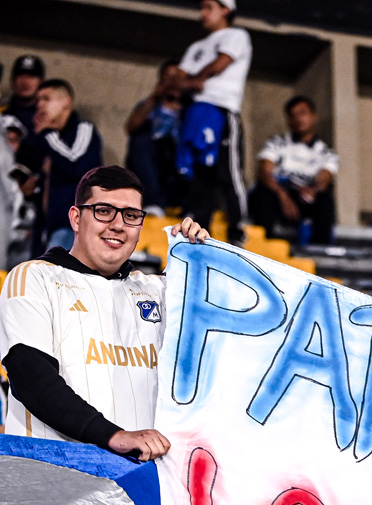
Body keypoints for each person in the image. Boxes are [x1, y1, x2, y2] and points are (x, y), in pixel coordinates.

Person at [0, 165, 208, 461]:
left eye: (131, 215)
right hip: (52, 475)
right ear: (76, 218)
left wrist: (202, 258)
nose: (118, 225)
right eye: (104, 211)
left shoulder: (161, 291)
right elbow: (31, 377)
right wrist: (113, 436)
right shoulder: (34, 277)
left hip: (142, 478)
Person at [173, 0, 252, 244]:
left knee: (229, 172)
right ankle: (200, 232)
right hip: (195, 111)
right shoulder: (196, 46)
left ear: (226, 9)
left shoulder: (237, 35)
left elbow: (220, 63)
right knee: (199, 174)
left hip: (222, 110)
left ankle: (237, 230)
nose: (203, 13)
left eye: (209, 7)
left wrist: (196, 80)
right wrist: (191, 83)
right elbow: (178, 79)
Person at [11, 79, 103, 253]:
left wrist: (47, 133)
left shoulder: (83, 128)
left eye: (46, 99)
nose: (40, 105)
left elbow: (74, 164)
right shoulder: (47, 140)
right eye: (38, 100)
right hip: (44, 229)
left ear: (66, 102)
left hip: (70, 227)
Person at [248, 95, 338, 245]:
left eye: (302, 113)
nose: (298, 119)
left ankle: (319, 250)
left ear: (314, 117)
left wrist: (312, 191)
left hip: (303, 198)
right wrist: (283, 196)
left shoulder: (326, 152)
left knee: (324, 200)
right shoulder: (276, 143)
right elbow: (264, 173)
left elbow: (324, 179)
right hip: (278, 194)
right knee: (263, 193)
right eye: (292, 115)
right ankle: (263, 245)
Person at [125, 61, 185, 216]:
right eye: (168, 78)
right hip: (152, 163)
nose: (172, 83)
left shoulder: (190, 108)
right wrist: (154, 97)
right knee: (140, 141)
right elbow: (130, 127)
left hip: (178, 164)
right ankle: (153, 203)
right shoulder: (150, 105)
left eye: (177, 78)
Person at [0, 54, 45, 136]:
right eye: (20, 76)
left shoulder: (47, 115)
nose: (25, 82)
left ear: (41, 82)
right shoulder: (2, 112)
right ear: (12, 80)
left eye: (31, 76)